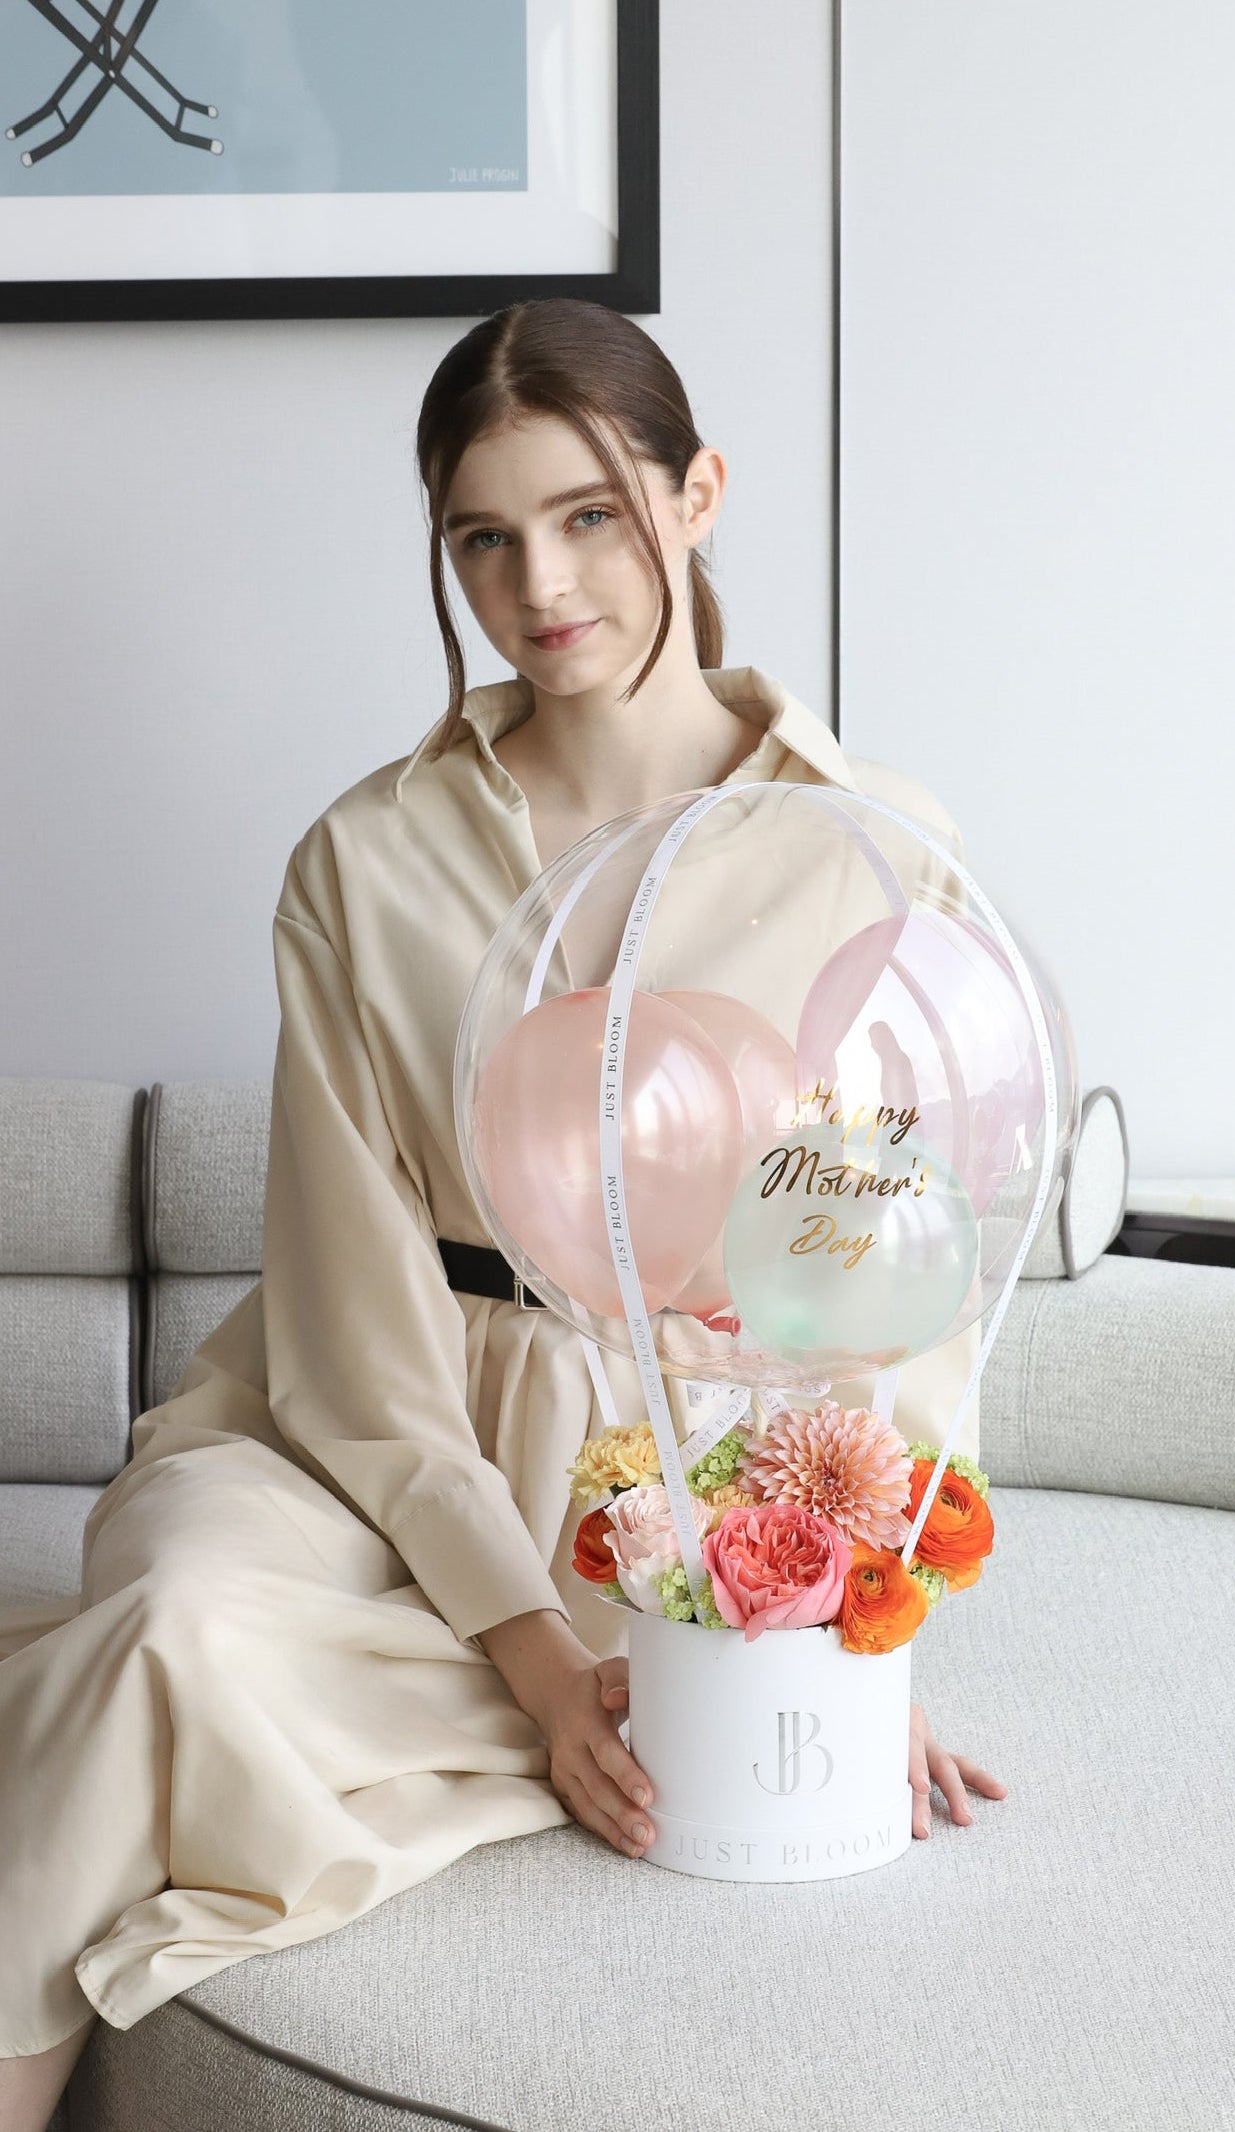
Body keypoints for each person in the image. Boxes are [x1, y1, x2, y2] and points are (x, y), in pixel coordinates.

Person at [0, 297, 1006, 2130]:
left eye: (592, 515)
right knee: (167, 1627)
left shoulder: (877, 845)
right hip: (348, 1448)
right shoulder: (362, 860)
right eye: (484, 535)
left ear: (697, 498)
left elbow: (887, 1303)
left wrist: (844, 1637)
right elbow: (348, 1317)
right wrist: (543, 1669)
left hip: (679, 1469)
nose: (539, 584)